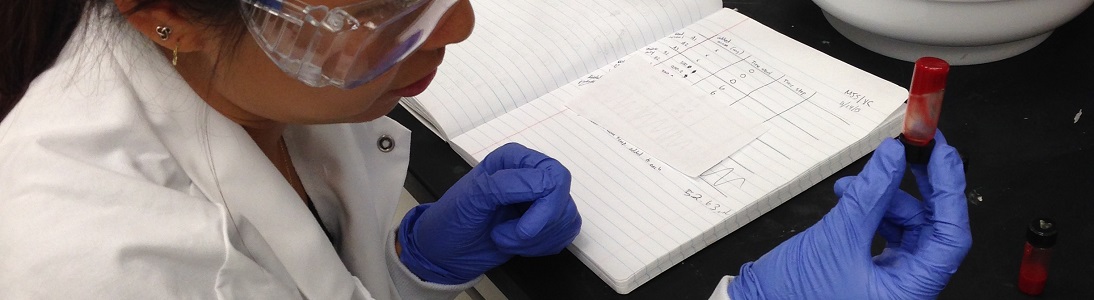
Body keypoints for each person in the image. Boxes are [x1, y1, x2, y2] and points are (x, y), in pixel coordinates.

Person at [0, 1, 970, 299]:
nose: (457, 27)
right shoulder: (96, 266)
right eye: (385, 11)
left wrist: (411, 261)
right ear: (165, 17)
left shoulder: (237, 73)